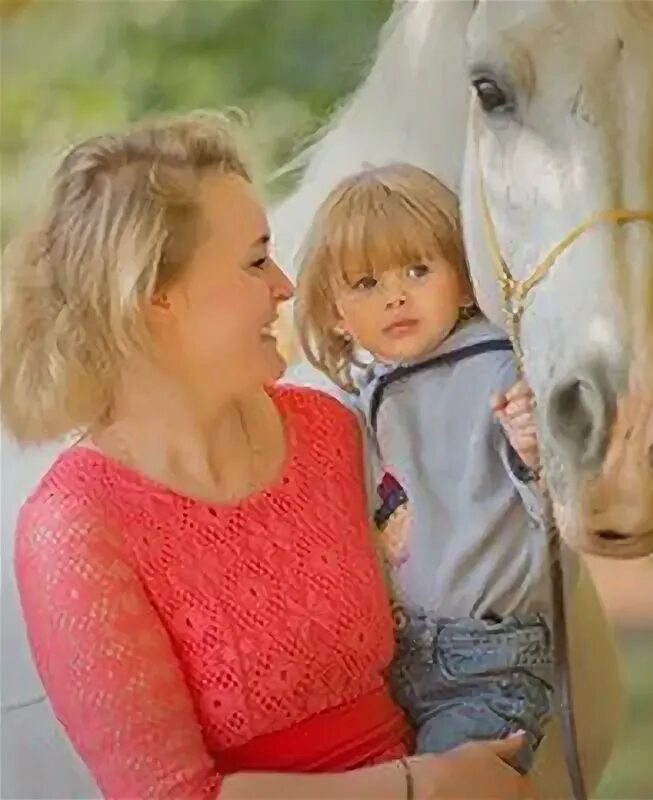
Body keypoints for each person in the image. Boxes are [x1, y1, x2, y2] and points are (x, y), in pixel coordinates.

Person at [0, 112, 531, 799]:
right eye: (255, 260)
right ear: (155, 295)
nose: (284, 285)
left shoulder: (329, 432)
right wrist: (417, 788)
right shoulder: (73, 530)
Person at [295, 163, 562, 775]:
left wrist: (533, 448)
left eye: (418, 270)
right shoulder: (374, 394)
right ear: (336, 313)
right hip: (400, 656)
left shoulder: (499, 372)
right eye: (365, 282)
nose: (395, 295)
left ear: (466, 283)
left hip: (487, 661)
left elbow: (553, 506)